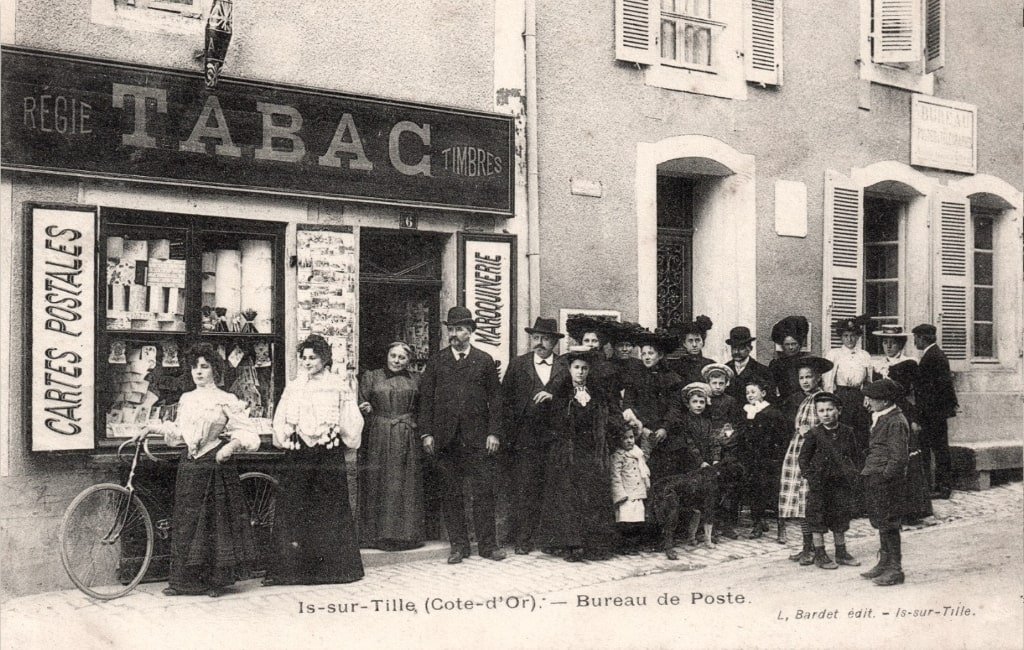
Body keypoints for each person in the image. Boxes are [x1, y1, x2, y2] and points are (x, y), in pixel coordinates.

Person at [140, 344, 260, 597]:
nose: (199, 372)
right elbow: (179, 432)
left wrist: (231, 446)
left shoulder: (225, 400)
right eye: (195, 367)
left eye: (204, 367)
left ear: (215, 370)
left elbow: (247, 431)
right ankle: (184, 582)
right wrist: (153, 428)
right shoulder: (187, 399)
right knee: (187, 523)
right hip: (190, 465)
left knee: (214, 524)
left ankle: (216, 582)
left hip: (214, 464)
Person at [266, 334, 365, 586]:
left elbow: (350, 418)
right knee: (295, 506)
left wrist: (344, 438)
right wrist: (285, 435)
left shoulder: (337, 385)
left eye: (313, 357)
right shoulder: (295, 385)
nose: (308, 362)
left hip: (326, 454)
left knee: (328, 507)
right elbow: (281, 417)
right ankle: (292, 571)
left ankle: (332, 571)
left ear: (325, 359)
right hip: (299, 453)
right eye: (304, 358)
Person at [417, 306, 506, 564]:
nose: (453, 334)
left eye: (459, 330)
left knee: (483, 492)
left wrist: (494, 433)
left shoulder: (484, 361)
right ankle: (459, 546)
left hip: (478, 440)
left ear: (470, 332)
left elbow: (496, 400)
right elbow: (426, 401)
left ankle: (488, 546)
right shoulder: (437, 361)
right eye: (451, 329)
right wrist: (426, 434)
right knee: (451, 493)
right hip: (446, 440)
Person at [535, 346, 618, 562]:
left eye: (584, 368)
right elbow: (550, 423)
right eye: (576, 367)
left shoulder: (597, 394)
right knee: (569, 499)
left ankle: (593, 545)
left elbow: (607, 421)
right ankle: (572, 545)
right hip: (567, 454)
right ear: (570, 369)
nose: (580, 372)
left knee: (592, 498)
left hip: (591, 453)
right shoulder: (560, 393)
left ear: (589, 371)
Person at [501, 317, 565, 555]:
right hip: (524, 440)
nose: (540, 343)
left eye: (546, 339)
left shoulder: (564, 366)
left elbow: (570, 400)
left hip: (555, 437)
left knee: (553, 487)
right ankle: (523, 539)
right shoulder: (518, 364)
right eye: (536, 338)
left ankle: (549, 539)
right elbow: (504, 401)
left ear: (554, 343)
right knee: (525, 489)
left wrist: (554, 398)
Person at [356, 341, 424, 551]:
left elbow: (422, 407)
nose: (396, 361)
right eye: (393, 356)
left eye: (402, 357)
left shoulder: (416, 379)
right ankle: (377, 535)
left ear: (408, 360)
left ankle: (406, 535)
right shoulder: (372, 376)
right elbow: (361, 401)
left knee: (405, 482)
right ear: (387, 356)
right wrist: (365, 407)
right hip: (380, 433)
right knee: (380, 480)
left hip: (406, 434)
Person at [777, 355, 834, 565]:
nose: (805, 381)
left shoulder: (821, 399)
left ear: (818, 377)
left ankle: (813, 549)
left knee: (807, 502)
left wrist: (809, 431)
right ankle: (805, 547)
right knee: (800, 504)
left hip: (811, 453)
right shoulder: (804, 399)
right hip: (797, 452)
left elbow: (828, 426)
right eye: (802, 377)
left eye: (809, 377)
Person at [872, 324, 932, 522]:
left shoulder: (910, 364)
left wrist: (915, 419)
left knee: (906, 458)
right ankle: (887, 508)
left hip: (903, 413)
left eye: (893, 343)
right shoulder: (878, 365)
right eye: (885, 342)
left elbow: (918, 394)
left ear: (901, 344)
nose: (889, 346)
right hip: (882, 415)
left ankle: (911, 510)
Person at [798, 392, 862, 569]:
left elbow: (855, 456)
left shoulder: (848, 432)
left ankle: (841, 552)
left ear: (838, 411)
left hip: (840, 483)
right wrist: (810, 476)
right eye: (821, 411)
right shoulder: (814, 434)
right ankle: (820, 554)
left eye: (829, 409)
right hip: (819, 484)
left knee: (840, 516)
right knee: (817, 518)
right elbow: (803, 458)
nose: (825, 414)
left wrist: (852, 474)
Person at [859, 378, 910, 586]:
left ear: (886, 401)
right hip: (876, 476)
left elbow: (899, 457)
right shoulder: (882, 416)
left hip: (886, 479)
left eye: (872, 399)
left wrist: (886, 476)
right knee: (881, 520)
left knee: (889, 523)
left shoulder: (896, 421)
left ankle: (895, 569)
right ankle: (884, 562)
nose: (868, 402)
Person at [738, 377, 790, 541]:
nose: (750, 395)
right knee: (755, 492)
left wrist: (777, 456)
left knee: (774, 493)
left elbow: (782, 438)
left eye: (753, 392)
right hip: (753, 460)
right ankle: (758, 524)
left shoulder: (772, 413)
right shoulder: (746, 412)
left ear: (763, 393)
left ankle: (781, 528)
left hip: (770, 460)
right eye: (747, 392)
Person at [912, 323, 959, 500]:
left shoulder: (932, 357)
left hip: (932, 414)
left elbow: (931, 391)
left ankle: (942, 487)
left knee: (937, 450)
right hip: (936, 413)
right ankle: (940, 486)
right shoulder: (935, 355)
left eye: (916, 337)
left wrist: (921, 415)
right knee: (939, 449)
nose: (915, 341)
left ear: (923, 338)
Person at [622, 330, 683, 459]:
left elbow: (675, 407)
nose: (647, 357)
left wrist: (665, 428)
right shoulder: (635, 377)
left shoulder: (672, 378)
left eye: (651, 353)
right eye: (643, 354)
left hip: (666, 432)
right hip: (641, 431)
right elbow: (628, 404)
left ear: (660, 355)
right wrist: (641, 426)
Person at [702, 363, 743, 539]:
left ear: (726, 383)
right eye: (714, 383)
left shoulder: (731, 401)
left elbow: (736, 424)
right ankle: (711, 524)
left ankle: (728, 524)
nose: (717, 387)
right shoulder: (704, 399)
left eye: (721, 383)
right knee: (711, 484)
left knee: (729, 485)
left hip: (727, 447)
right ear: (708, 383)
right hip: (708, 445)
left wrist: (729, 436)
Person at [823, 315, 874, 451]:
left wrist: (867, 397)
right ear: (841, 337)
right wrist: (830, 402)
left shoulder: (865, 355)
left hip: (859, 397)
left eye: (852, 335)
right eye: (846, 335)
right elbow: (828, 382)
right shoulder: (834, 354)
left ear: (858, 337)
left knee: (861, 433)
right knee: (842, 431)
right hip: (841, 397)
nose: (850, 339)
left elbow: (869, 381)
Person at [610, 427, 651, 555]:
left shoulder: (637, 453)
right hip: (626, 495)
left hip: (637, 492)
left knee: (637, 520)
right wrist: (619, 494)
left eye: (631, 437)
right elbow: (615, 476)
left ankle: (635, 544)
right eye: (624, 438)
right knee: (626, 521)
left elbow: (647, 452)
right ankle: (625, 546)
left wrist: (644, 433)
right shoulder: (618, 456)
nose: (629, 441)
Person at [724, 326, 771, 406]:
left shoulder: (763, 371)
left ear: (750, 348)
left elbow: (769, 400)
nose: (736, 352)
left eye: (741, 348)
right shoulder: (725, 369)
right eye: (734, 348)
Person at [768, 315, 810, 404]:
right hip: (784, 405)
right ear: (783, 345)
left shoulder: (807, 362)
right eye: (787, 344)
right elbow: (771, 389)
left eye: (794, 344)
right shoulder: (776, 365)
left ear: (799, 345)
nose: (791, 347)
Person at [665, 315, 715, 384]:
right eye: (690, 341)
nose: (694, 345)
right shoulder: (676, 366)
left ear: (703, 342)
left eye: (697, 340)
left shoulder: (711, 365)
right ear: (684, 344)